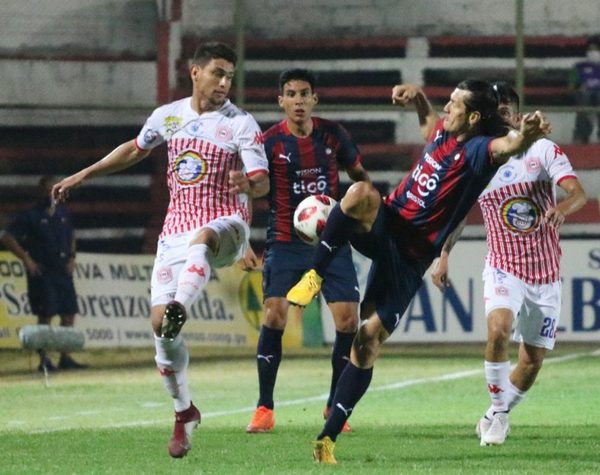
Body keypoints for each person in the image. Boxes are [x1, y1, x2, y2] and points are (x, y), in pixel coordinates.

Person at [286, 80, 551, 464]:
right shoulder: (446, 131)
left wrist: (523, 135)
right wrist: (420, 100)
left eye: (455, 104)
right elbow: (430, 124)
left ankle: (326, 440)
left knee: (367, 341)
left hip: (409, 259)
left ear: (474, 117)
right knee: (360, 192)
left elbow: (508, 146)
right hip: (387, 223)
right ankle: (313, 276)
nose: (447, 108)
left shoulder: (479, 151)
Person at [52, 42, 269, 458]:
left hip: (225, 224)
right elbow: (136, 149)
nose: (225, 83)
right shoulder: (167, 117)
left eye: (229, 76)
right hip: (175, 232)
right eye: (218, 73)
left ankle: (181, 305)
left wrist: (252, 185)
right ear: (195, 72)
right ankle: (184, 410)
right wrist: (84, 173)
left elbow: (262, 180)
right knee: (160, 329)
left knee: (201, 241)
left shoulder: (241, 123)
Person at [430, 82, 586, 446]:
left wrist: (561, 208)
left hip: (545, 273)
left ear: (515, 116)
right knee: (498, 329)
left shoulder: (541, 149)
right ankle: (500, 415)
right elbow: (458, 215)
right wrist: (444, 255)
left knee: (531, 361)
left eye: (505, 112)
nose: (500, 118)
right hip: (503, 266)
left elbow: (577, 192)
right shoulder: (478, 157)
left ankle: (493, 413)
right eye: (493, 112)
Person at [241, 69, 369, 434]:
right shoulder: (267, 143)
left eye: (305, 94)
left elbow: (361, 178)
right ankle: (264, 407)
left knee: (347, 321)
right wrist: (243, 241)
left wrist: (365, 214)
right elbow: (250, 190)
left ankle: (333, 407)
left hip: (332, 241)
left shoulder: (333, 135)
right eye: (291, 94)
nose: (298, 100)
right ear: (280, 100)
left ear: (315, 98)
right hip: (284, 240)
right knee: (276, 315)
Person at [0, 176, 85, 372]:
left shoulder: (63, 212)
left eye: (53, 190)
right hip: (43, 271)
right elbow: (7, 236)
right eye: (47, 190)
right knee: (45, 315)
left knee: (68, 313)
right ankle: (44, 360)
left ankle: (65, 356)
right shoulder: (31, 215)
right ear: (40, 192)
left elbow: (72, 235)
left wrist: (72, 257)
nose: (51, 194)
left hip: (62, 269)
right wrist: (26, 259)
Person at [570, 35, 600, 143]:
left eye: (596, 49)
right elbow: (572, 86)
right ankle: (581, 135)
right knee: (584, 96)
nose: (593, 52)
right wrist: (580, 87)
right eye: (590, 49)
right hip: (584, 94)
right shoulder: (579, 67)